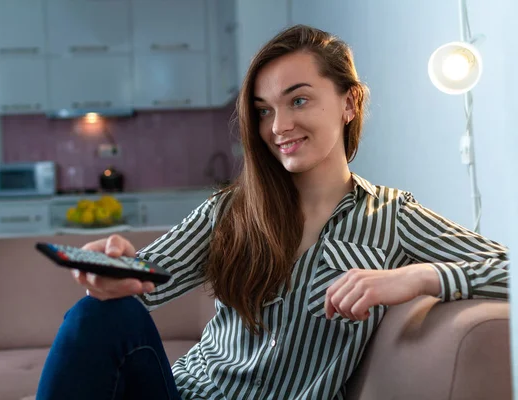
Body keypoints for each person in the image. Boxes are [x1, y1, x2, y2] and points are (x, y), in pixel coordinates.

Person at [35, 25, 509, 400]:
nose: (278, 126)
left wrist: (418, 277)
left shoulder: (392, 216)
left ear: (349, 102)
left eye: (298, 100)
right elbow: (143, 281)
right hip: (180, 393)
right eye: (263, 110)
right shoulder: (231, 209)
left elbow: (507, 266)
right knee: (92, 317)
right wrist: (114, 267)